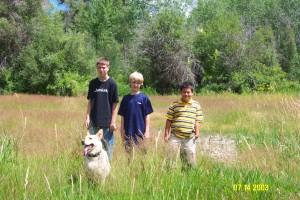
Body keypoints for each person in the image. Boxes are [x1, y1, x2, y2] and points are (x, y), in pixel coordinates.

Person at [85, 57, 119, 162]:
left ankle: (106, 174)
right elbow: (90, 101)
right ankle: (92, 173)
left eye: (104, 67)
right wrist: (87, 118)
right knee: (91, 151)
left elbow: (115, 104)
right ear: (97, 68)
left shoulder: (112, 84)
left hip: (107, 124)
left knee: (108, 150)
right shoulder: (92, 83)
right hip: (93, 123)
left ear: (108, 68)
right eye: (99, 67)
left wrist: (113, 121)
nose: (101, 70)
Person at [164, 81, 203, 170]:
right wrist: (166, 134)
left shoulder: (196, 105)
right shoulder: (175, 104)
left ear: (192, 93)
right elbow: (169, 119)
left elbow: (197, 120)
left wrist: (197, 133)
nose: (186, 94)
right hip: (175, 136)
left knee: (189, 159)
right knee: (171, 157)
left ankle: (189, 175)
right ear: (181, 93)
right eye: (184, 92)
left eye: (188, 92)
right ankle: (170, 174)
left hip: (189, 137)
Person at [118, 71, 154, 158]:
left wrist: (147, 131)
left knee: (142, 154)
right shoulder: (125, 99)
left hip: (140, 131)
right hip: (128, 131)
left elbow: (147, 116)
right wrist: (122, 130)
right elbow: (122, 116)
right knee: (129, 155)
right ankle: (131, 169)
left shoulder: (144, 98)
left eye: (138, 83)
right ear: (130, 82)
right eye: (134, 82)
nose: (136, 85)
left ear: (141, 84)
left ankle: (142, 170)